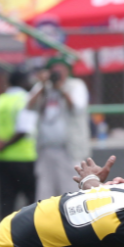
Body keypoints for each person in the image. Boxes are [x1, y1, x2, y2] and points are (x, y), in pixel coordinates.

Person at [29, 57, 91, 199]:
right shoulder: (44, 87)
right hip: (45, 149)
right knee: (45, 193)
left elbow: (77, 108)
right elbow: (29, 106)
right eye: (54, 70)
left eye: (61, 70)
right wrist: (43, 85)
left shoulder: (76, 85)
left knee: (71, 192)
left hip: (69, 150)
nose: (58, 73)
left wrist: (61, 88)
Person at [0, 70, 38, 220]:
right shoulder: (27, 99)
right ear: (23, 82)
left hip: (2, 159)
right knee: (32, 200)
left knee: (6, 201)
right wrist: (6, 144)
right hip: (25, 157)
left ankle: (3, 237)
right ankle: (32, 235)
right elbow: (24, 129)